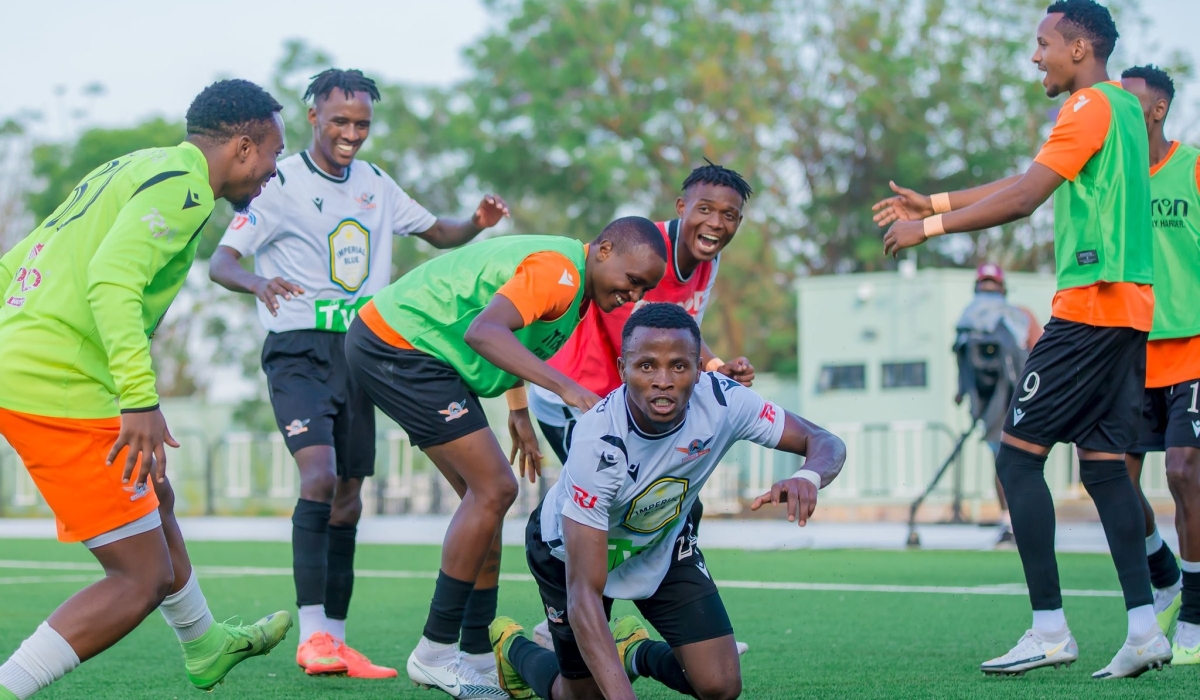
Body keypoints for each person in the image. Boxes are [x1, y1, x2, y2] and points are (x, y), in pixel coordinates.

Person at [873, 0, 1171, 678]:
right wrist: (939, 201)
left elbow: (1025, 198)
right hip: (1129, 311)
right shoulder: (1124, 109)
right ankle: (1144, 628)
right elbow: (1030, 178)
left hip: (1090, 308)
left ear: (1078, 49)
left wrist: (931, 231)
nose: (1035, 56)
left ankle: (1049, 630)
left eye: (1043, 43)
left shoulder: (1087, 106)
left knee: (1015, 461)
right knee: (1102, 469)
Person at [208, 68, 510, 679]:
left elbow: (439, 233)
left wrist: (475, 224)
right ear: (313, 117)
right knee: (317, 476)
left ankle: (335, 641)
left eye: (362, 123)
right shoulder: (280, 181)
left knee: (348, 494)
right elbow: (221, 261)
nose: (351, 133)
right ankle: (313, 633)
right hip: (297, 350)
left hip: (359, 352)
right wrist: (258, 281)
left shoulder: (376, 183)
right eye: (340, 120)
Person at [0, 80, 290, 700]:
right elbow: (111, 280)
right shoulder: (186, 188)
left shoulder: (129, 166)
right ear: (243, 146)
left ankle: (205, 644)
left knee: (155, 490)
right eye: (273, 154)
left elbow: (16, 260)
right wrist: (139, 398)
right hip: (58, 387)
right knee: (140, 577)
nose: (273, 171)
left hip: (35, 369)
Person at [344, 218, 667, 697]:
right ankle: (433, 652)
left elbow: (510, 331)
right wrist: (565, 388)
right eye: (632, 280)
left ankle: (475, 657)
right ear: (603, 251)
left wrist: (518, 412)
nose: (633, 296)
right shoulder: (561, 272)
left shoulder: (575, 286)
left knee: (487, 503)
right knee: (495, 489)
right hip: (398, 344)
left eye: (645, 289)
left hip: (422, 354)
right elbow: (485, 332)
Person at [489, 303, 846, 700]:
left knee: (720, 685)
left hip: (659, 539)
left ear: (699, 369)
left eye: (679, 366)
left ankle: (633, 652)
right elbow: (584, 595)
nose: (663, 380)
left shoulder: (724, 401)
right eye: (646, 366)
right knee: (583, 695)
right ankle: (513, 650)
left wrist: (807, 475)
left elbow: (825, 441)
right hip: (570, 552)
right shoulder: (599, 444)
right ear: (623, 368)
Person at [525, 161, 756, 652]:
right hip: (578, 391)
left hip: (624, 397)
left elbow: (677, 335)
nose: (717, 223)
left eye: (730, 216)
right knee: (601, 507)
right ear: (681, 207)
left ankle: (684, 627)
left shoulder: (706, 259)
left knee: (675, 493)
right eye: (706, 210)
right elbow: (631, 335)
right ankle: (569, 626)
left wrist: (714, 366)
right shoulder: (645, 249)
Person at [1119, 64, 1200, 664]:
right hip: (1129, 352)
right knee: (1112, 479)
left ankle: (1194, 616)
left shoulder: (1192, 165)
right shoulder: (1113, 179)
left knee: (1182, 472)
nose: (1119, 109)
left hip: (1192, 347)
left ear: (1157, 109)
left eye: (1132, 101)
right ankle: (1165, 574)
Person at [952, 262, 1042, 546]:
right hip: (994, 405)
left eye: (992, 286)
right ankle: (1011, 522)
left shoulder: (1019, 318)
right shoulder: (970, 322)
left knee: (1017, 463)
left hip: (1018, 402)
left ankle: (1023, 522)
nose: (988, 292)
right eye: (984, 286)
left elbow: (1039, 355)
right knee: (1006, 462)